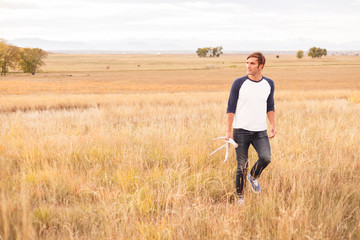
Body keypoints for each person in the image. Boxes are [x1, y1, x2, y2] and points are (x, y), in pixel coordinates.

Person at [226, 52, 276, 205]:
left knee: (266, 157)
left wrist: (273, 124)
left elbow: (270, 105)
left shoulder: (269, 83)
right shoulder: (238, 83)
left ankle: (253, 177)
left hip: (260, 130)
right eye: (247, 63)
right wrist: (228, 131)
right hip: (240, 130)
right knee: (242, 166)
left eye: (252, 63)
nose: (248, 66)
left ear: (260, 66)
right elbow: (231, 107)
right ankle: (240, 198)